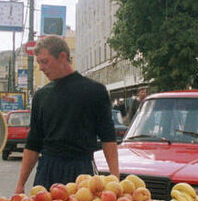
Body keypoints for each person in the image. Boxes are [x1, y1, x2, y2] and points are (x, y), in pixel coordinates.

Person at [15, 36, 120, 192]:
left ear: (63, 57)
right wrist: (20, 184)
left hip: (81, 173)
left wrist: (115, 179)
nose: (41, 68)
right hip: (47, 171)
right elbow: (33, 142)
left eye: (45, 62)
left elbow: (108, 137)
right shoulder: (41, 96)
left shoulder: (95, 91)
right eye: (38, 63)